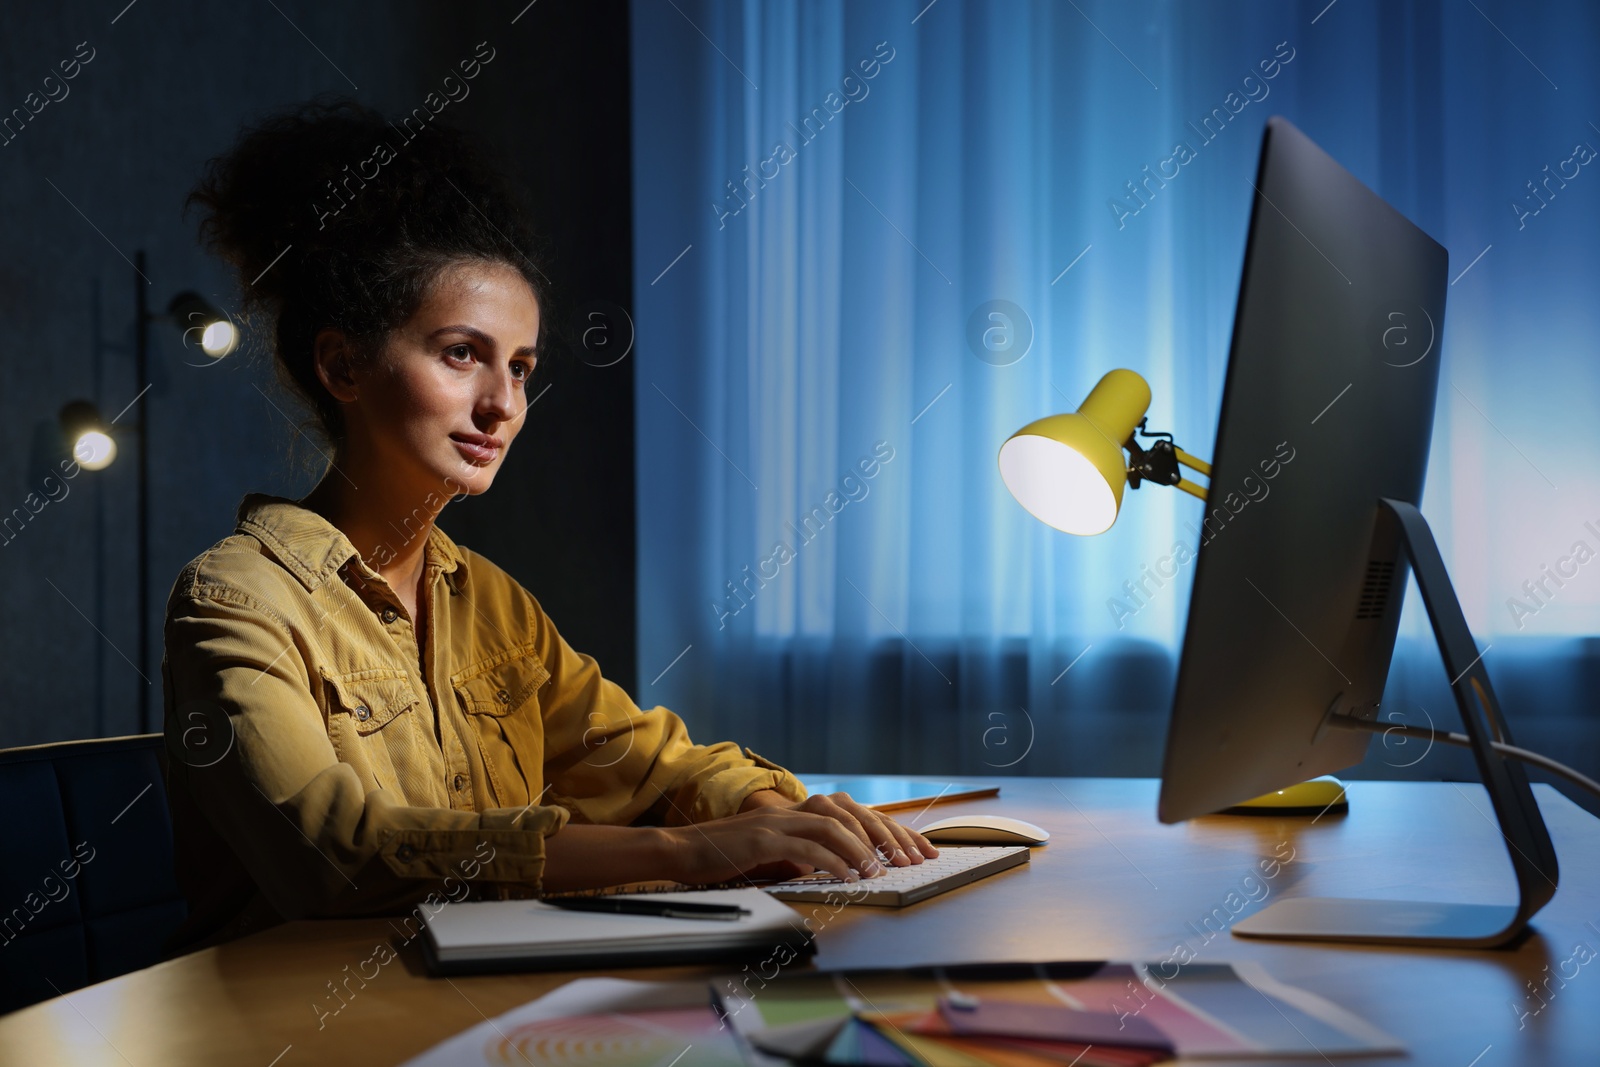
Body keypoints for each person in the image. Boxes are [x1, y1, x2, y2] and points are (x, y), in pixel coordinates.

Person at [159, 99, 936, 956]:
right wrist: (689, 851)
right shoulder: (236, 600)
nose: (503, 405)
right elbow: (338, 853)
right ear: (344, 364)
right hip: (289, 1027)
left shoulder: (492, 605)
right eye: (462, 353)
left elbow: (655, 766)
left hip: (479, 1004)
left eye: (521, 367)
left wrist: (770, 814)